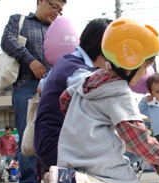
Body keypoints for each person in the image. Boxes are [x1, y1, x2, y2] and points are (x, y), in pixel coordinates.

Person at [46, 17, 159, 183]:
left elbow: (64, 99)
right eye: (146, 65)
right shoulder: (119, 92)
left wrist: (81, 125)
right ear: (130, 61)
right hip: (95, 160)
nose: (147, 72)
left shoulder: (88, 79)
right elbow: (135, 136)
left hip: (70, 158)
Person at [0, 0, 67, 183]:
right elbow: (7, 40)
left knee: (53, 132)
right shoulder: (19, 20)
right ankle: (28, 182)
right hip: (26, 84)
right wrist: (30, 60)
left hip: (53, 86)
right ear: (41, 1)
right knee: (28, 132)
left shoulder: (59, 29)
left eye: (61, 10)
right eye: (54, 6)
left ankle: (51, 180)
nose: (57, 12)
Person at [34, 18, 112, 171]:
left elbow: (40, 86)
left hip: (46, 141)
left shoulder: (65, 60)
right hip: (59, 146)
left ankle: (62, 178)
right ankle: (66, 181)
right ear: (103, 48)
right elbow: (102, 102)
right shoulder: (79, 73)